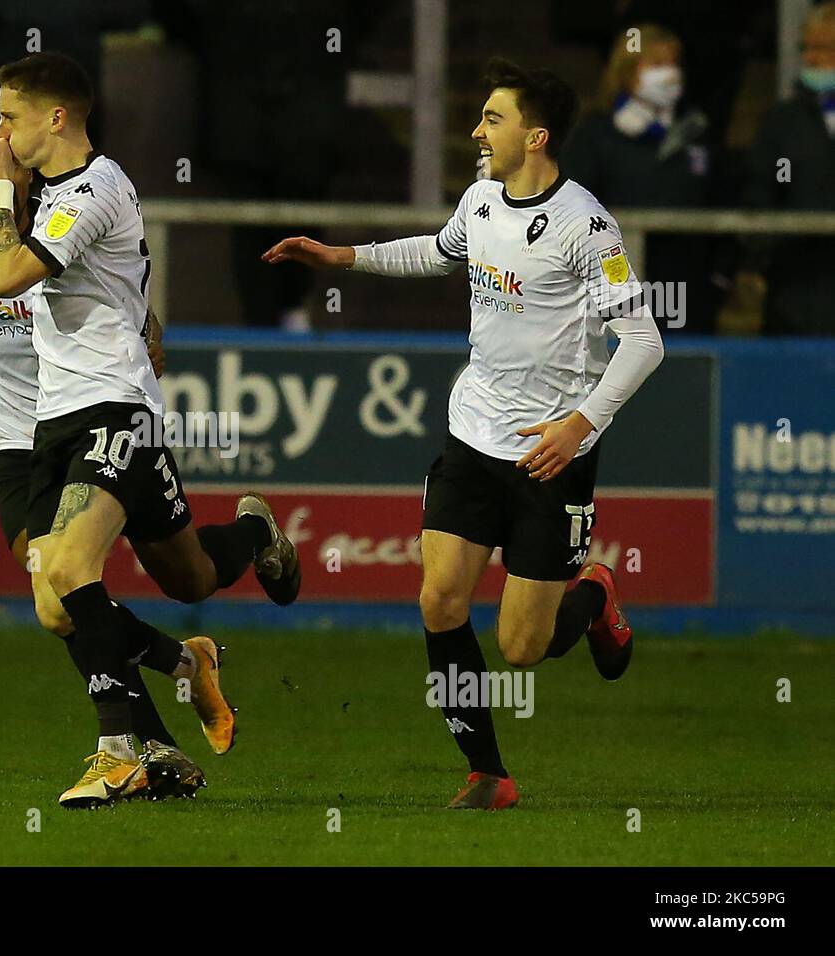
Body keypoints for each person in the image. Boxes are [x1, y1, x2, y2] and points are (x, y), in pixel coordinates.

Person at [263, 57, 665, 810]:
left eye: (493, 119)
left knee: (523, 647)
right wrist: (342, 255)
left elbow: (643, 342)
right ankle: (488, 773)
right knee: (440, 601)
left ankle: (598, 595)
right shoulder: (481, 199)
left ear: (536, 136)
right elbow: (440, 250)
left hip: (551, 456)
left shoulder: (588, 226)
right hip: (472, 435)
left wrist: (580, 425)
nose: (477, 130)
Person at [0, 52, 302, 807]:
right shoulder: (56, 193)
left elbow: (4, 278)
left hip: (113, 408)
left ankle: (118, 748)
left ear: (55, 118)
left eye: (10, 117)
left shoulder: (96, 185)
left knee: (69, 570)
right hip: (59, 416)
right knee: (173, 579)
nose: (0, 132)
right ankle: (252, 544)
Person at [0, 131, 205, 798]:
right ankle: (164, 715)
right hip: (16, 438)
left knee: (143, 582)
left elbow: (109, 285)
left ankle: (149, 728)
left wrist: (148, 325)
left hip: (79, 422)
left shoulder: (52, 226)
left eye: (12, 160)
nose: (4, 165)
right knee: (58, 602)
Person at [561, 23, 718, 333]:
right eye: (657, 65)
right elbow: (571, 207)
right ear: (627, 70)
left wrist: (719, 275)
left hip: (685, 288)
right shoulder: (595, 135)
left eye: (673, 64)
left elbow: (717, 200)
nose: (669, 74)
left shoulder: (695, 134)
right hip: (612, 288)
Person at [736, 1, 835, 336]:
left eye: (822, 49)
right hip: (799, 291)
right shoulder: (783, 122)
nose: (810, 58)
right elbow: (762, 192)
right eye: (806, 48)